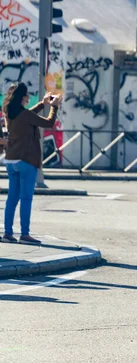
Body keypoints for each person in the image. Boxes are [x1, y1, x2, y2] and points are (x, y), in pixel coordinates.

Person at [2, 82, 62, 245]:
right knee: (26, 198)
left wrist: (43, 103)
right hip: (26, 160)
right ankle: (25, 234)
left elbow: (28, 115)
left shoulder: (10, 112)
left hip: (11, 160)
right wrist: (54, 107)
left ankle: (7, 233)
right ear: (23, 98)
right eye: (27, 95)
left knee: (12, 198)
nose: (29, 97)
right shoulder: (24, 115)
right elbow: (49, 122)